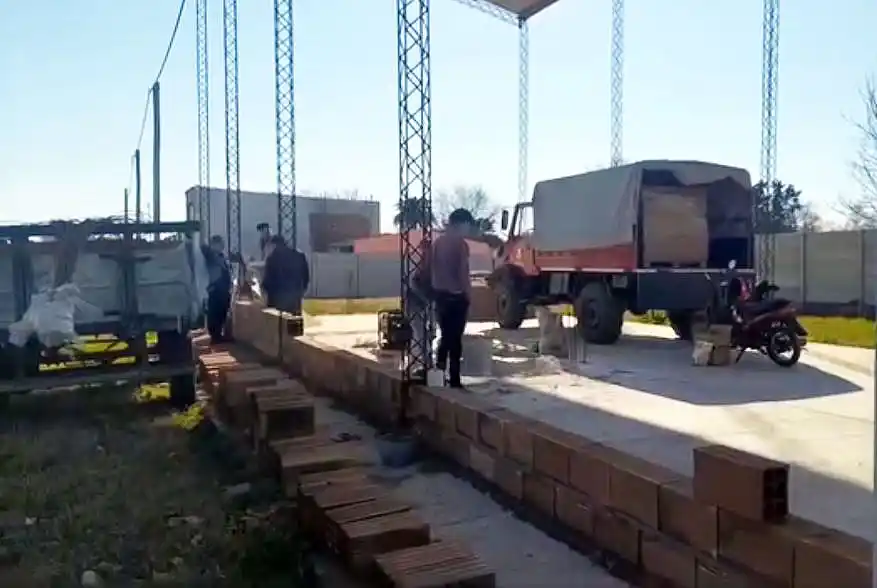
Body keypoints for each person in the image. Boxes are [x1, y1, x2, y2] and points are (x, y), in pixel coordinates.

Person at [431, 208, 475, 388]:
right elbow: (463, 273)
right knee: (455, 339)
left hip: (440, 294)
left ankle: (439, 375)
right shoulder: (461, 245)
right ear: (461, 224)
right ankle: (455, 379)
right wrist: (469, 295)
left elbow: (431, 267)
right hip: (456, 296)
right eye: (467, 226)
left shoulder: (437, 243)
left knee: (445, 337)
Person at [261, 235, 310, 314]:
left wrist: (264, 288)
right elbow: (306, 276)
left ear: (274, 245)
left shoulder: (272, 258)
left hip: (277, 298)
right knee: (294, 321)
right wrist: (301, 290)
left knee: (278, 323)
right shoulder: (299, 256)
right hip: (294, 296)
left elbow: (267, 280)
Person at [202, 235, 232, 343]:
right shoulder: (210, 255)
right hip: (215, 288)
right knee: (215, 312)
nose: (222, 245)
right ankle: (215, 335)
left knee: (222, 311)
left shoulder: (222, 256)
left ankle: (219, 333)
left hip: (223, 289)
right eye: (220, 243)